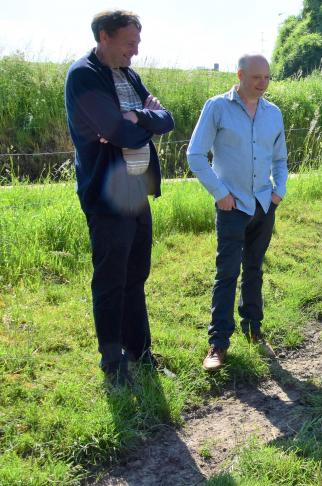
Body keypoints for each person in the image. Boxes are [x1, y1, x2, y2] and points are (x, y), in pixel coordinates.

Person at [65, 10, 175, 385]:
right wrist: (140, 120)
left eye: (137, 43)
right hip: (107, 197)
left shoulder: (128, 74)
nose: (136, 51)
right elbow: (119, 133)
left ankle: (140, 352)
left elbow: (167, 119)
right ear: (104, 36)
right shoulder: (84, 75)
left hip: (137, 191)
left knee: (136, 275)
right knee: (111, 280)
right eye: (130, 43)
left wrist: (136, 118)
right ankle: (113, 364)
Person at [187, 54, 288, 371]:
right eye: (257, 77)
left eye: (267, 77)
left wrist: (279, 190)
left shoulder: (273, 113)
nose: (263, 83)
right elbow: (195, 155)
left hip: (263, 204)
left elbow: (280, 160)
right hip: (231, 206)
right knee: (227, 273)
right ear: (240, 75)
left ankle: (254, 327)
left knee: (254, 268)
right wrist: (220, 193)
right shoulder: (217, 107)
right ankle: (218, 343)